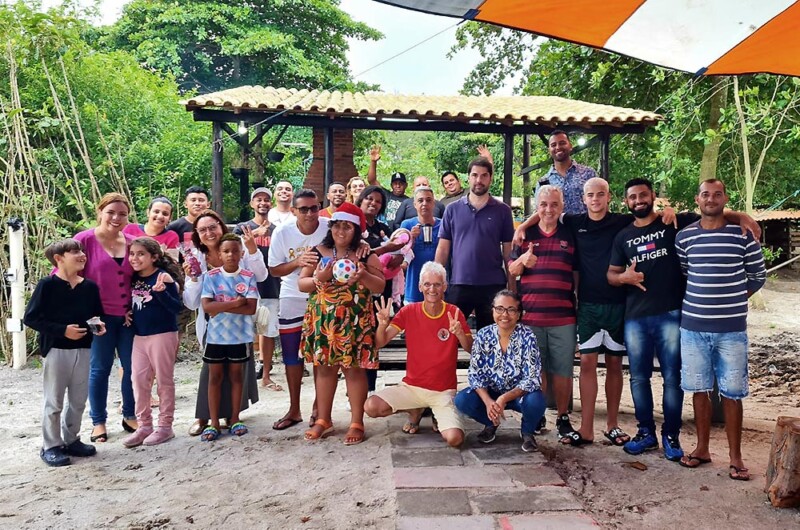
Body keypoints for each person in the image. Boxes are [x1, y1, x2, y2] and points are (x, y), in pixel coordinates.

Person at [675, 179, 766, 481]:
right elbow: (687, 271)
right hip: (693, 328)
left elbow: (757, 276)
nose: (711, 199)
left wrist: (734, 299)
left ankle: (736, 457)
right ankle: (702, 449)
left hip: (731, 330)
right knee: (699, 390)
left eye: (717, 194)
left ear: (726, 198)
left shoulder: (743, 235)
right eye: (705, 194)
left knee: (732, 393)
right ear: (697, 199)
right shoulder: (685, 237)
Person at [607, 177, 701, 460]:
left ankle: (671, 436)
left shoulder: (672, 223)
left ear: (653, 196)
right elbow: (611, 275)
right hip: (635, 317)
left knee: (673, 378)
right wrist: (624, 277)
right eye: (633, 197)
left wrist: (744, 217)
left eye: (643, 195)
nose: (638, 201)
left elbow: (712, 213)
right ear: (626, 202)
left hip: (671, 313)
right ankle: (646, 432)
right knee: (639, 378)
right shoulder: (622, 236)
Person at [298, 202, 386, 445]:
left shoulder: (367, 254)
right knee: (325, 369)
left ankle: (357, 422)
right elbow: (302, 284)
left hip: (355, 322)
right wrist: (319, 278)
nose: (341, 232)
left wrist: (364, 275)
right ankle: (323, 420)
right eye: (337, 226)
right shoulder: (317, 251)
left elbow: (379, 287)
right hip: (325, 321)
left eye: (347, 227)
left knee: (354, 370)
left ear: (356, 230)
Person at [365, 262, 472, 447]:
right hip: (412, 387)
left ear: (445, 287)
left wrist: (460, 333)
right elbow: (380, 343)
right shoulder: (409, 311)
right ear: (420, 286)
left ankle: (435, 413)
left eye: (437, 284)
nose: (432, 289)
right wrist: (382, 324)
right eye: (427, 284)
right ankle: (415, 410)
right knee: (371, 407)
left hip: (443, 391)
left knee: (455, 439)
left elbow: (471, 349)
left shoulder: (454, 312)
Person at [182, 210, 265, 436]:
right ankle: (205, 417)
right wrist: (192, 278)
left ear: (221, 226)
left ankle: (233, 415)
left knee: (238, 372)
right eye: (203, 229)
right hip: (213, 328)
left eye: (213, 227)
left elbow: (261, 276)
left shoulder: (238, 250)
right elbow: (193, 303)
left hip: (239, 328)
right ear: (197, 235)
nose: (209, 232)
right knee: (212, 374)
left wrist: (252, 249)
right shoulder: (196, 259)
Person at [25, 239, 105, 467]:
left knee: (79, 399)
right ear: (59, 258)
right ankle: (51, 445)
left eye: (82, 251)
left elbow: (95, 314)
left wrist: (98, 326)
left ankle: (72, 440)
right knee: (54, 400)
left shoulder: (89, 287)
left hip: (84, 348)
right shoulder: (47, 285)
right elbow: (31, 318)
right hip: (56, 350)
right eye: (75, 252)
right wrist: (63, 331)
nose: (82, 255)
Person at [508, 186, 577, 441]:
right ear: (537, 207)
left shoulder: (570, 234)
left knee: (563, 371)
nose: (549, 209)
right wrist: (523, 261)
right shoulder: (524, 235)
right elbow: (512, 270)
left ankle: (562, 417)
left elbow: (577, 274)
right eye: (544, 204)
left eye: (554, 204)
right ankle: (537, 416)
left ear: (561, 206)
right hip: (532, 317)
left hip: (563, 317)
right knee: (536, 372)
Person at [72, 193, 136, 442]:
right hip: (98, 318)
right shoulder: (84, 240)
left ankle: (130, 414)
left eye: (122, 214)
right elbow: (67, 274)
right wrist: (84, 313)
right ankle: (98, 421)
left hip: (128, 318)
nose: (116, 218)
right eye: (111, 212)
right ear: (100, 212)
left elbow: (143, 275)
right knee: (99, 369)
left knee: (132, 368)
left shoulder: (132, 242)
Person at [454, 290, 545, 452]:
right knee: (462, 400)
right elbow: (475, 375)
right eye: (500, 309)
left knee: (536, 400)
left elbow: (532, 378)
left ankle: (527, 431)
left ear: (519, 314)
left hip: (519, 396)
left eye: (511, 310)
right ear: (493, 310)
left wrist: (504, 398)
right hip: (492, 392)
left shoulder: (528, 336)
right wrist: (489, 401)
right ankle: (491, 422)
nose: (505, 314)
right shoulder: (483, 335)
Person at [268, 190, 329, 431]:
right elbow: (274, 269)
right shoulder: (283, 232)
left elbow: (350, 241)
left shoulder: (329, 226)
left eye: (314, 207)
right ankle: (294, 409)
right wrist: (298, 262)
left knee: (320, 354)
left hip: (323, 296)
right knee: (292, 356)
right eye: (303, 209)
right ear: (293, 211)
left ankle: (318, 407)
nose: (310, 213)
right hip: (292, 296)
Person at [435, 156, 515, 330]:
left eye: (484, 175)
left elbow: (508, 253)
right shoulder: (452, 209)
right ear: (468, 177)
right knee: (450, 335)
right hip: (459, 283)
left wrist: (512, 288)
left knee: (492, 338)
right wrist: (436, 279)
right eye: (475, 175)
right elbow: (443, 249)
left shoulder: (503, 211)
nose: (479, 180)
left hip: (493, 285)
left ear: (490, 178)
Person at [122, 238, 183, 448]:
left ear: (154, 257)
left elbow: (176, 307)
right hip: (140, 336)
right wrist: (127, 313)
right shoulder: (133, 279)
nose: (135, 258)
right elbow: (134, 302)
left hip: (163, 334)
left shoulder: (163, 277)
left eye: (141, 254)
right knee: (138, 380)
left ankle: (165, 426)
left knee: (164, 381)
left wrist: (162, 293)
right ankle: (144, 425)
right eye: (132, 254)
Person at [199, 233, 259, 441]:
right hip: (216, 338)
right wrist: (235, 303)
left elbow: (251, 308)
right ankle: (214, 422)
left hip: (240, 337)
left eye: (235, 250)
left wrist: (220, 307)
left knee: (236, 377)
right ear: (219, 253)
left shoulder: (248, 276)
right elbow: (207, 306)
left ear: (242, 253)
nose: (231, 255)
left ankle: (235, 418)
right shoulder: (211, 276)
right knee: (214, 378)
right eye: (226, 251)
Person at [235, 187, 283, 391]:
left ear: (270, 204)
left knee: (268, 331)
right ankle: (242, 377)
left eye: (266, 200)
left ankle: (265, 376)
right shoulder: (242, 228)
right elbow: (231, 247)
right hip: (245, 288)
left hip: (271, 286)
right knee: (244, 331)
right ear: (252, 204)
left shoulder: (277, 230)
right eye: (258, 200)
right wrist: (255, 234)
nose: (262, 203)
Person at [534, 130, 596, 215]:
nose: (558, 147)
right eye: (553, 145)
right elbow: (539, 212)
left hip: (585, 227)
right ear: (549, 150)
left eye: (562, 143)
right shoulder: (543, 183)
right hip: (557, 228)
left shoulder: (588, 174)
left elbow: (601, 204)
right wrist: (523, 226)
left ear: (570, 146)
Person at [399, 186, 441, 304]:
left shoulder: (443, 225)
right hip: (413, 287)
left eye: (428, 200)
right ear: (415, 204)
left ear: (434, 203)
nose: (424, 204)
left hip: (438, 288)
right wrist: (411, 238)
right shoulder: (407, 225)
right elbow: (399, 256)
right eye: (420, 200)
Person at [366, 145, 408, 226]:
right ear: (391, 185)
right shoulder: (385, 195)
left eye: (401, 183)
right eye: (395, 183)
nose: (398, 186)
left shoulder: (408, 201)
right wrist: (373, 162)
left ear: (406, 185)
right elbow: (372, 181)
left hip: (400, 235)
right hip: (383, 231)